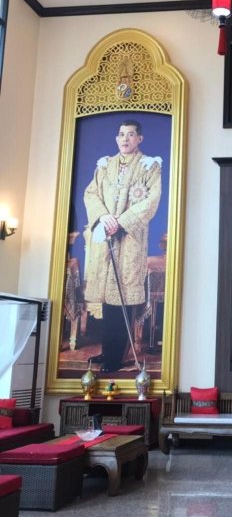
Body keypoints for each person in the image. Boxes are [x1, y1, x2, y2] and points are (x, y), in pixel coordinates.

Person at [83, 119, 162, 373]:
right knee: (108, 299)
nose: (125, 139)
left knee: (123, 296)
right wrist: (103, 217)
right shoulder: (105, 165)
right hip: (106, 237)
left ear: (139, 138)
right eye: (121, 134)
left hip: (129, 240)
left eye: (130, 135)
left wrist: (121, 222)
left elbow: (151, 201)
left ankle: (117, 355)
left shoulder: (149, 166)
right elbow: (91, 194)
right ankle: (108, 350)